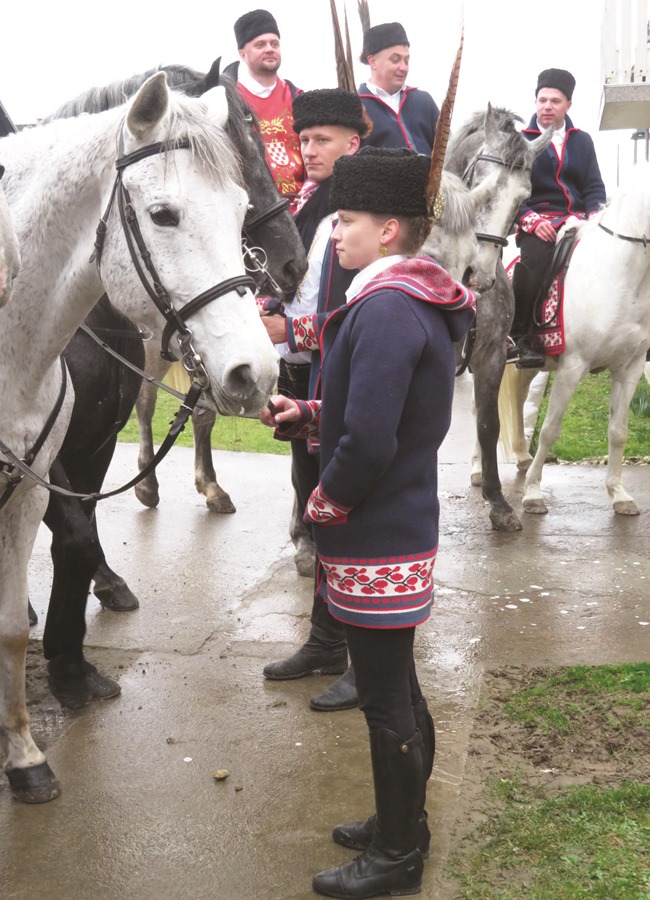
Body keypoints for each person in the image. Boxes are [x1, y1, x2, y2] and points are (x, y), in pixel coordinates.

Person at [260, 146, 476, 899]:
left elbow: (373, 439)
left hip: (376, 532)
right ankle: (401, 820)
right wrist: (309, 411)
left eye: (346, 221)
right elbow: (369, 409)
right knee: (400, 691)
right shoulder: (405, 298)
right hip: (396, 527)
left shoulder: (385, 305)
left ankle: (395, 855)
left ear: (390, 230)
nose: (336, 234)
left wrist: (326, 501)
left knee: (387, 702)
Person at [260, 88, 368, 714]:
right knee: (314, 503)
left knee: (351, 513)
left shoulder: (366, 214)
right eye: (303, 140)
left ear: (354, 143)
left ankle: (364, 649)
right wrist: (271, 309)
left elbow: (366, 311)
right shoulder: (310, 205)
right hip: (306, 377)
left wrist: (293, 330)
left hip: (346, 374)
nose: (308, 149)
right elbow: (298, 283)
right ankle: (327, 640)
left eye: (321, 139)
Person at [511, 67, 607, 367]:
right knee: (534, 262)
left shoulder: (582, 141)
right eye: (542, 100)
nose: (547, 107)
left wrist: (595, 220)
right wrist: (531, 222)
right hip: (539, 221)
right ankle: (520, 337)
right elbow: (510, 191)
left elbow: (593, 187)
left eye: (554, 101)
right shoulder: (519, 141)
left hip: (579, 221)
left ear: (568, 105)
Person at [225, 9, 305, 205]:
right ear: (242, 54)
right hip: (258, 215)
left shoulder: (299, 97)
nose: (270, 49)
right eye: (260, 45)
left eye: (274, 43)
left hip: (302, 206)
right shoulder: (230, 101)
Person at [357, 22, 439, 154]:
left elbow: (449, 152)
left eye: (406, 60)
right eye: (395, 60)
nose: (403, 67)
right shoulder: (356, 107)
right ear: (372, 61)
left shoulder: (424, 101)